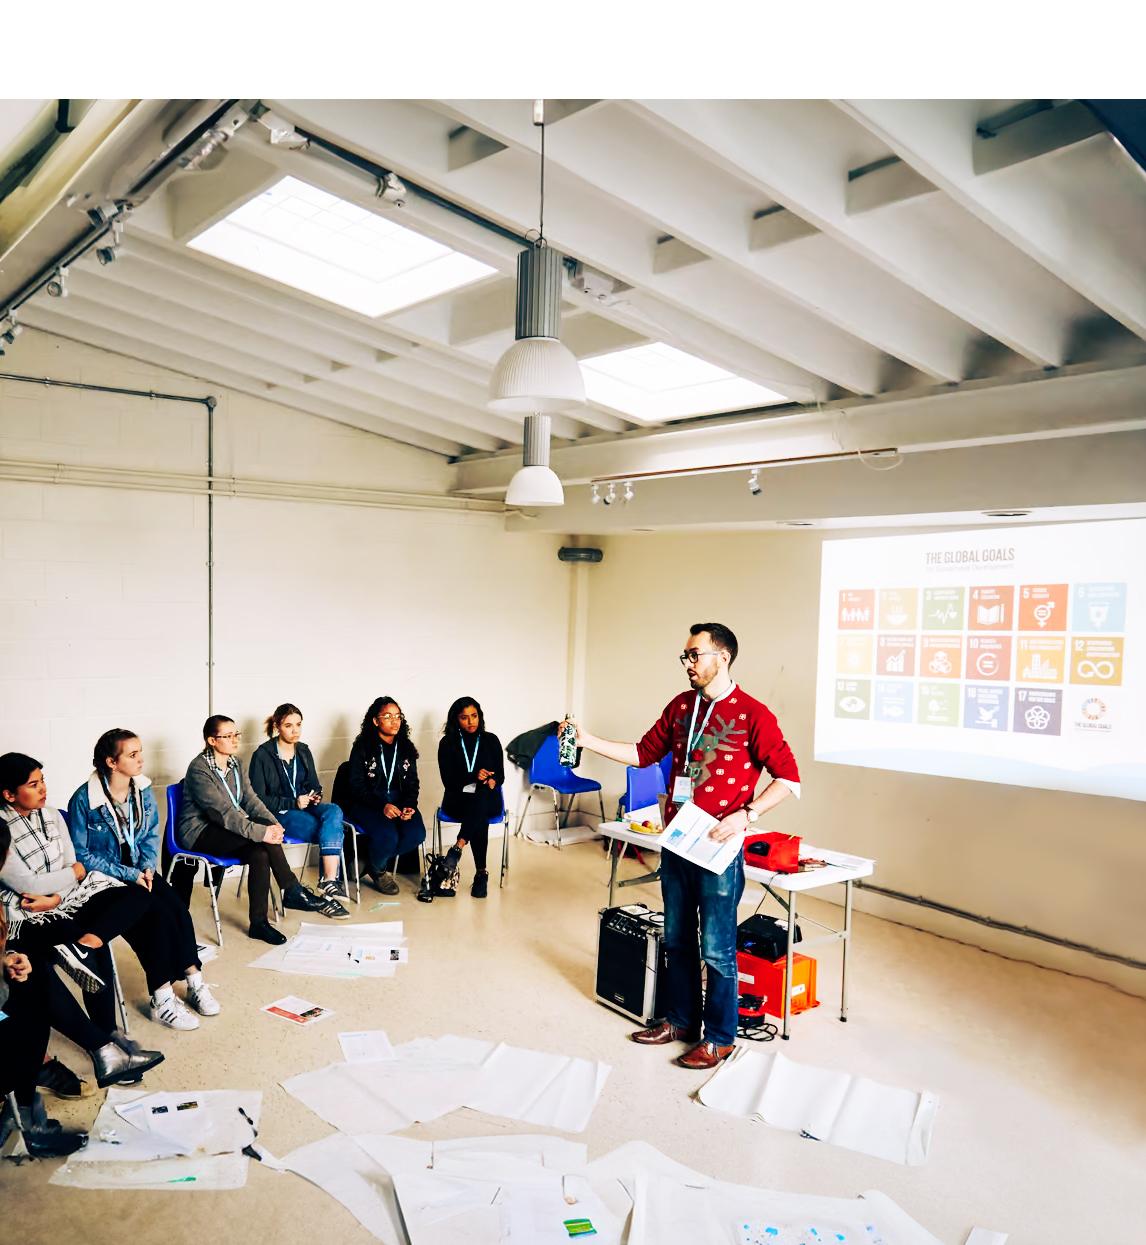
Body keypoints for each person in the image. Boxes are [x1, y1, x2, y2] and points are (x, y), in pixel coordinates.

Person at [565, 622, 800, 1071]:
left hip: (718, 850)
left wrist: (747, 815)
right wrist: (586, 740)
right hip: (678, 842)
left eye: (695, 655)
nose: (688, 663)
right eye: (686, 656)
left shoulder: (754, 714)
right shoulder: (680, 707)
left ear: (722, 657)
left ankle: (720, 1038)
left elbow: (789, 778)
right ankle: (680, 1021)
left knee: (717, 948)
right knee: (676, 939)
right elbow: (643, 753)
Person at [0, 754, 164, 1100]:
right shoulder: (0, 829)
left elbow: (76, 866)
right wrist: (63, 883)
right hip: (27, 914)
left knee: (137, 896)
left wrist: (58, 895)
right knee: (47, 964)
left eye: (42, 780)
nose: (43, 789)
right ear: (9, 794)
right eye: (33, 784)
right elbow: (25, 884)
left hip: (60, 902)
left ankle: (85, 947)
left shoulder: (51, 815)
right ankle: (106, 1044)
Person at [68, 729, 222, 1030]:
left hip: (140, 870)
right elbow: (81, 856)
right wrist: (131, 874)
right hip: (103, 879)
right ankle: (161, 998)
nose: (141, 759)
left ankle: (194, 981)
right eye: (132, 754)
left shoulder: (142, 789)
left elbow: (151, 835)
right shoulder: (84, 799)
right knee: (154, 918)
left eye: (140, 752)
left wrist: (148, 868)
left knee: (176, 908)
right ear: (112, 762)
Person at [176, 716, 342, 945]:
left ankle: (259, 924)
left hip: (227, 827)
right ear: (212, 740)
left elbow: (251, 800)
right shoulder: (199, 769)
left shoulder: (236, 764)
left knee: (260, 853)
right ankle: (291, 889)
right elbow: (223, 813)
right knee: (262, 840)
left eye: (236, 734)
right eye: (228, 736)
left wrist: (273, 824)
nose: (235, 740)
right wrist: (262, 833)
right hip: (200, 831)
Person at [249, 704, 349, 909]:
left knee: (334, 811)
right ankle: (329, 882)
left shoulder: (303, 750)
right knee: (331, 829)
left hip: (306, 806)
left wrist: (315, 795)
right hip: (281, 812)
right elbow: (257, 799)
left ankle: (328, 880)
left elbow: (314, 784)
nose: (295, 730)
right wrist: (293, 802)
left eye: (298, 725)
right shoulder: (262, 755)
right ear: (277, 727)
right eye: (288, 726)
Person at [343, 696, 426, 895]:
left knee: (416, 834)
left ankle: (371, 862)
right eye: (387, 716)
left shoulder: (405, 747)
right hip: (368, 802)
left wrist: (409, 805)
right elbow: (356, 786)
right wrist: (382, 806)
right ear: (375, 721)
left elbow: (412, 783)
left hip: (399, 801)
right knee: (388, 836)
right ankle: (380, 871)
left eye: (398, 716)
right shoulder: (362, 747)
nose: (394, 721)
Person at [436, 697, 504, 899]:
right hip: (457, 801)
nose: (470, 721)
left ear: (480, 716)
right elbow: (448, 781)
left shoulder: (491, 740)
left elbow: (500, 775)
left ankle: (458, 846)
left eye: (474, 716)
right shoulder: (447, 743)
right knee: (479, 811)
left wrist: (492, 781)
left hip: (487, 799)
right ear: (456, 719)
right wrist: (474, 776)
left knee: (481, 795)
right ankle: (481, 874)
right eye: (464, 717)